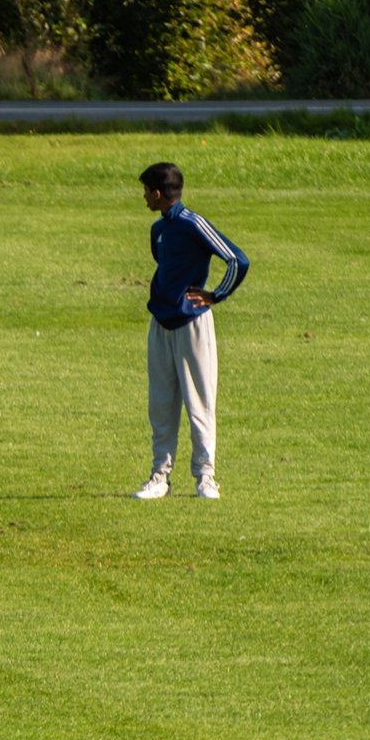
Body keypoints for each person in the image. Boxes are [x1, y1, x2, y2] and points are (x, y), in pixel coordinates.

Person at [135, 161, 248, 501]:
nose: (143, 198)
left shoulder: (192, 223)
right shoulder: (158, 229)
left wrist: (216, 294)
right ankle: (159, 476)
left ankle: (205, 478)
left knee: (199, 401)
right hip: (161, 323)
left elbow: (237, 259)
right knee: (161, 403)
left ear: (158, 193)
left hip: (193, 324)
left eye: (145, 192)